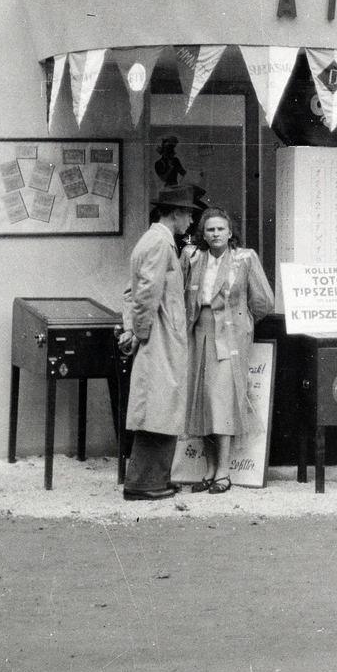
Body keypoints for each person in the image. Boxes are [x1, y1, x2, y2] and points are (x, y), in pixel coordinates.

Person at [184, 207, 275, 494]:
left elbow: (263, 302)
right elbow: (181, 294)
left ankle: (224, 471)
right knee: (202, 400)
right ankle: (209, 469)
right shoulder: (193, 257)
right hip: (199, 331)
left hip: (230, 337)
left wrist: (242, 324)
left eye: (220, 229)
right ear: (203, 234)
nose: (215, 234)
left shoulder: (244, 258)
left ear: (230, 232)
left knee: (220, 400)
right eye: (210, 229)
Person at [117, 186, 196, 501]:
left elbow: (130, 291)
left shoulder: (153, 241)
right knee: (158, 408)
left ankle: (155, 478)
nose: (191, 221)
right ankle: (143, 483)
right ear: (176, 213)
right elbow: (146, 291)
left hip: (160, 333)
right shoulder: (161, 243)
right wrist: (141, 332)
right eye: (189, 214)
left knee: (161, 406)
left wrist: (132, 329)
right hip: (161, 335)